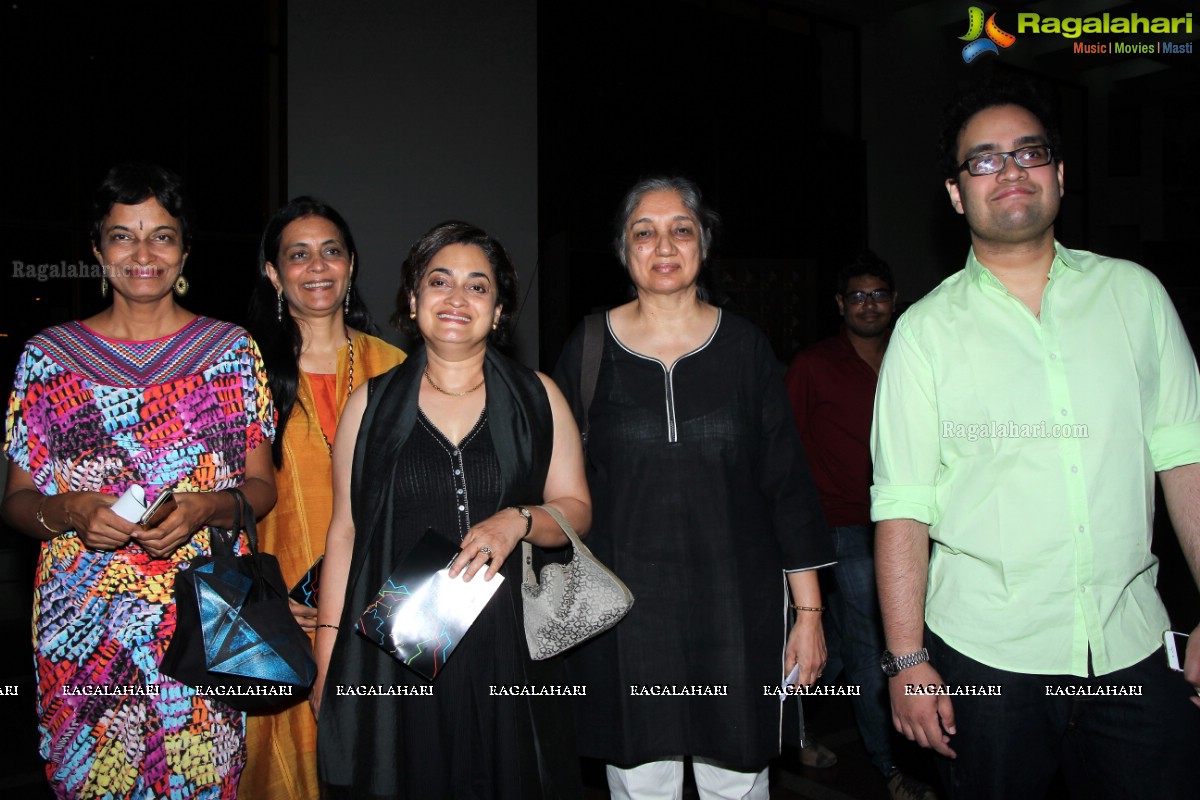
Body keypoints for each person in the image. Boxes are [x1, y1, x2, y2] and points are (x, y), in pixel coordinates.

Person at [871, 77, 1200, 800]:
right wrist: (904, 660)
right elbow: (902, 503)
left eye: (1030, 152)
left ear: (1059, 174)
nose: (1011, 169)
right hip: (989, 659)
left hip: (1132, 642)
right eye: (984, 160)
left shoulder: (1135, 295)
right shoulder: (925, 333)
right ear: (957, 195)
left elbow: (1184, 456)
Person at [0, 163, 277, 798]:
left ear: (184, 251)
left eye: (162, 235)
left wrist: (208, 507)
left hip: (202, 622)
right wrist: (69, 511)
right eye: (123, 235)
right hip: (84, 627)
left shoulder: (230, 352)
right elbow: (16, 502)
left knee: (201, 779)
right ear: (98, 251)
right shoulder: (48, 359)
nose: (143, 252)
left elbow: (262, 490)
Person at [554, 176, 834, 799]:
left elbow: (786, 487)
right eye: (643, 232)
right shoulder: (588, 346)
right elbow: (559, 482)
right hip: (624, 614)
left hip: (738, 611)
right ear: (623, 249)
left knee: (736, 781)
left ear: (703, 243)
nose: (663, 245)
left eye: (680, 229)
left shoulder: (745, 347)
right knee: (639, 780)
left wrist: (809, 614)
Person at [312, 221, 590, 798]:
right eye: (439, 281)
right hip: (396, 647)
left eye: (478, 286)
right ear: (413, 301)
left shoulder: (540, 397)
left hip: (510, 650)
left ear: (499, 311)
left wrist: (518, 520)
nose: (457, 298)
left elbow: (576, 510)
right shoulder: (369, 404)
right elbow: (344, 535)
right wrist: (327, 653)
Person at [239, 198, 405, 800]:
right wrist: (264, 600)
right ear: (272, 272)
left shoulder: (396, 368)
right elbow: (218, 500)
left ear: (352, 265)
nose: (317, 266)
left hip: (379, 617)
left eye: (331, 251)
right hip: (279, 617)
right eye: (297, 254)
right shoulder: (242, 367)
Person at [786, 253, 937, 800]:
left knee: (859, 648)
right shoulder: (814, 365)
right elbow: (786, 453)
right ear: (840, 305)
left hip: (920, 525)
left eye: (878, 295)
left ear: (894, 301)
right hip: (846, 528)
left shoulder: (916, 353)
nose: (868, 304)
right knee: (883, 643)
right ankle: (890, 765)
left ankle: (792, 721)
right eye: (857, 295)